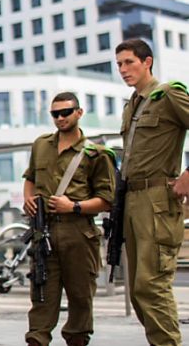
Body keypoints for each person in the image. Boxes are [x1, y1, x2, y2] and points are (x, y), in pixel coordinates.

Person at [21, 92, 116, 346]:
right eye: (55, 114)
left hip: (78, 233)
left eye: (66, 112)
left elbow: (107, 199)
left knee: (80, 297)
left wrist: (73, 206)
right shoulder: (41, 145)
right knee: (41, 295)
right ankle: (37, 339)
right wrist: (28, 198)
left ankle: (77, 339)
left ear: (79, 113)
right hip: (44, 233)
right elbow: (30, 178)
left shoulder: (97, 154)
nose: (60, 118)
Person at [114, 38, 189, 346]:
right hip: (131, 201)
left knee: (151, 285)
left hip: (157, 199)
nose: (122, 69)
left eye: (129, 62)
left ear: (147, 62)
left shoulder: (169, 94)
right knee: (137, 291)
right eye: (118, 64)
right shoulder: (132, 104)